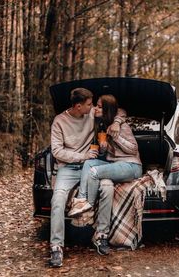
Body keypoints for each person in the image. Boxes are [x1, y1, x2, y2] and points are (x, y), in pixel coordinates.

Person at [50, 88, 124, 267]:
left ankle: (101, 236)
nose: (93, 108)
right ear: (78, 106)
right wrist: (82, 156)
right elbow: (57, 151)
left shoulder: (91, 113)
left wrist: (117, 123)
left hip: (90, 167)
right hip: (67, 168)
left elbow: (119, 111)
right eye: (89, 104)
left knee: (107, 187)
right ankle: (56, 247)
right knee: (58, 199)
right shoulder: (59, 121)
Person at [70, 94, 143, 255]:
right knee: (90, 165)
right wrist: (103, 147)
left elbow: (133, 149)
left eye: (99, 106)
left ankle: (86, 208)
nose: (95, 108)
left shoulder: (120, 127)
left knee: (94, 172)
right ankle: (84, 207)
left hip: (131, 165)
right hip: (115, 164)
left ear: (108, 110)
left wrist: (115, 137)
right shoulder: (103, 124)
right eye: (95, 105)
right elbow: (121, 112)